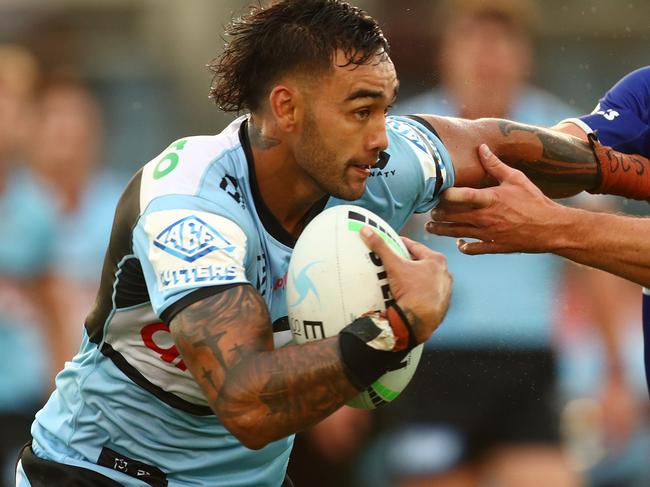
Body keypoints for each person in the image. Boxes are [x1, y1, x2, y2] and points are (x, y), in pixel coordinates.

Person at [15, 2, 650, 486]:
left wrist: (625, 171)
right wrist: (400, 325)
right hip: (99, 472)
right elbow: (247, 401)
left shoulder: (375, 162)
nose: (382, 135)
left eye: (387, 108)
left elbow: (502, 145)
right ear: (286, 108)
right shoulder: (190, 207)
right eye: (361, 109)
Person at [427, 66, 650, 389]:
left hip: (527, 346)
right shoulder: (645, 90)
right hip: (444, 347)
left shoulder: (543, 105)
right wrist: (431, 153)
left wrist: (550, 226)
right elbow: (560, 155)